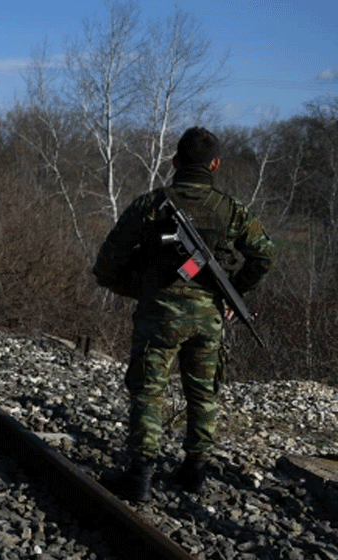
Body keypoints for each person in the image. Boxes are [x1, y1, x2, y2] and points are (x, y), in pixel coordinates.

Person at [92, 126, 275, 503]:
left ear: (175, 162)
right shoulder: (233, 211)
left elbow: (106, 266)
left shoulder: (149, 205)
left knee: (148, 392)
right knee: (203, 394)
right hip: (209, 317)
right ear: (215, 164)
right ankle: (194, 473)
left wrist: (142, 289)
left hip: (158, 315)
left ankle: (140, 476)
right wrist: (232, 293)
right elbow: (264, 255)